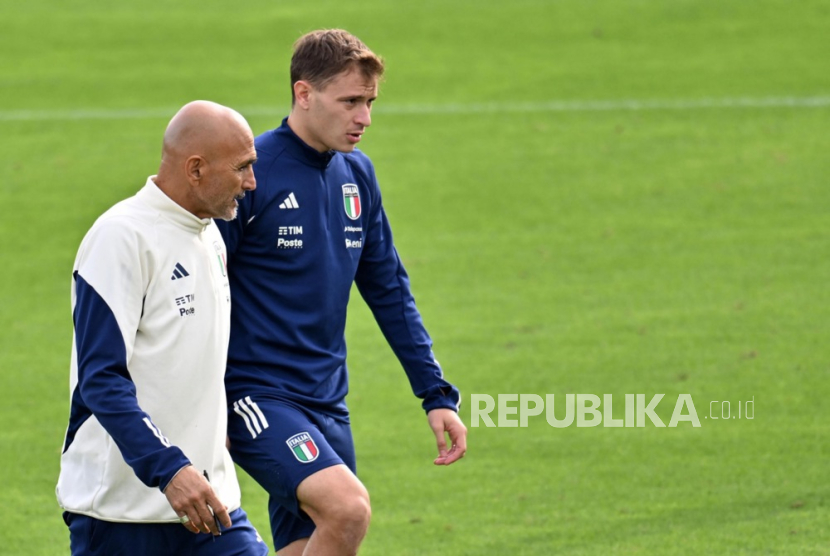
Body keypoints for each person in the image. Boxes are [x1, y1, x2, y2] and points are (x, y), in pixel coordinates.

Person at [215, 30, 468, 555]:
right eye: (350, 101)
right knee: (347, 509)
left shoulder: (358, 175)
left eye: (370, 102)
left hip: (329, 401)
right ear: (304, 94)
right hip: (258, 396)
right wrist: (203, 407)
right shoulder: (251, 172)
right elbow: (200, 293)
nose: (365, 118)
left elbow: (389, 289)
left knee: (309, 543)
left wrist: (435, 393)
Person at [56, 101, 268, 556]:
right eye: (242, 168)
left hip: (211, 506)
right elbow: (101, 379)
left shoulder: (209, 232)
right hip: (122, 516)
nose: (252, 183)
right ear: (195, 169)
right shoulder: (121, 238)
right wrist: (169, 468)